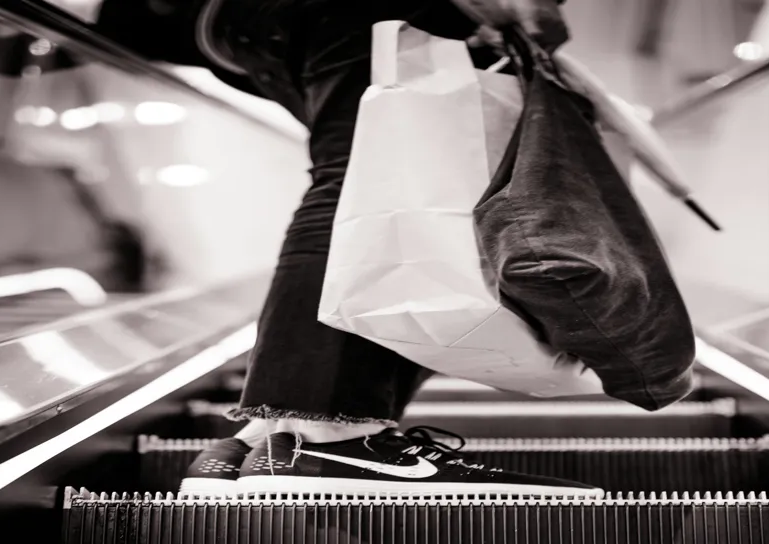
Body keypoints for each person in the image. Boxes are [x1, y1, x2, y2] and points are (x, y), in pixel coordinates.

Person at [98, 0, 600, 497]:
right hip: (346, 13)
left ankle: (268, 438)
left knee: (377, 183)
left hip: (236, 22)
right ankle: (325, 437)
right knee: (370, 184)